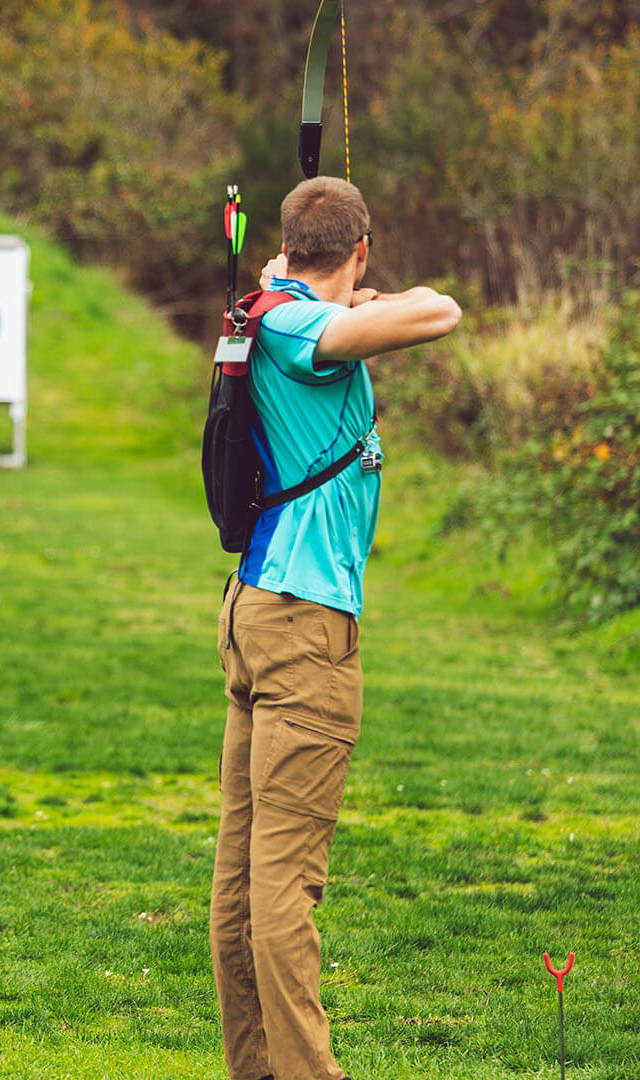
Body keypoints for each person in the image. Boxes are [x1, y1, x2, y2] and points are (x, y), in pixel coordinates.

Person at [211, 176, 462, 1080]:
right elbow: (442, 313)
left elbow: (338, 319)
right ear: (361, 247)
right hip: (306, 627)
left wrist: (329, 286)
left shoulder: (264, 312)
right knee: (282, 888)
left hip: (258, 613)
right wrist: (363, 296)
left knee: (244, 884)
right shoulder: (297, 327)